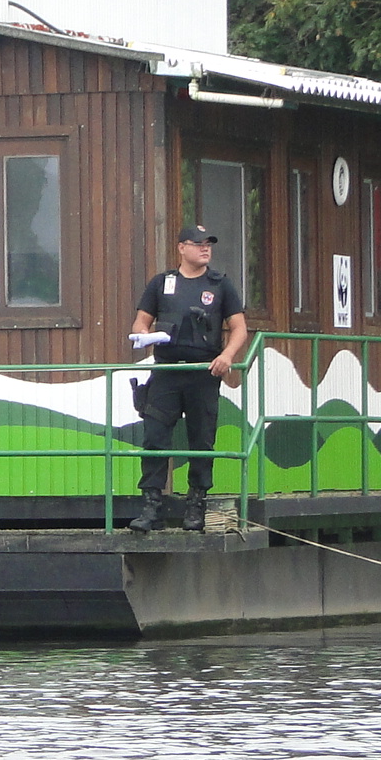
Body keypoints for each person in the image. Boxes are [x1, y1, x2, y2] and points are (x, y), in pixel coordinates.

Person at [127, 225, 248, 533]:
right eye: (198, 244)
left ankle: (197, 503)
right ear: (182, 248)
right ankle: (152, 505)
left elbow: (239, 328)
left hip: (203, 372)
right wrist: (143, 335)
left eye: (209, 244)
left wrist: (227, 356)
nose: (205, 248)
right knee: (154, 438)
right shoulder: (161, 283)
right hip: (166, 372)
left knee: (201, 439)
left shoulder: (220, 285)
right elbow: (141, 321)